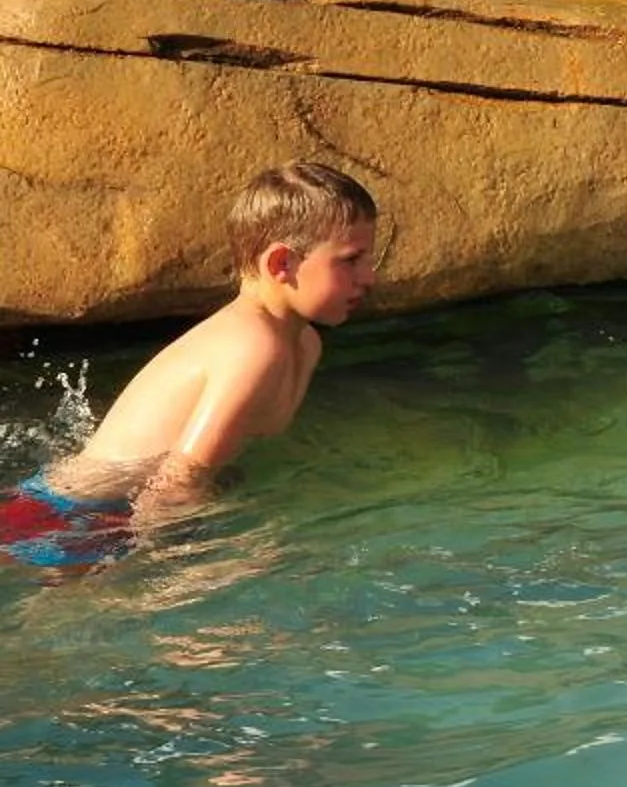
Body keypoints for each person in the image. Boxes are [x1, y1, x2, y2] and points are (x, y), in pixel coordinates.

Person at [2, 163, 376, 572]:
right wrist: (187, 575)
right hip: (66, 517)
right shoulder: (254, 348)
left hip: (98, 512)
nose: (369, 277)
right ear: (281, 264)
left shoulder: (304, 343)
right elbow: (179, 479)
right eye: (351, 260)